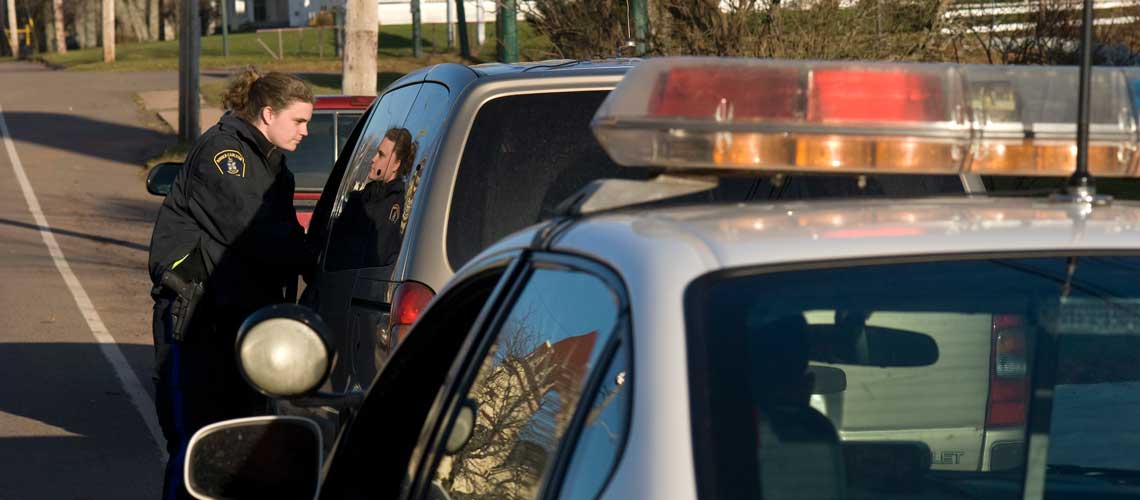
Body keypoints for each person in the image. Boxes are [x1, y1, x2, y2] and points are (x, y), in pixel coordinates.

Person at [147, 67, 315, 500]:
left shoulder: (275, 168)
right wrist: (318, 260)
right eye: (298, 121)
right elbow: (255, 231)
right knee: (195, 448)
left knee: (240, 446)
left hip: (241, 325)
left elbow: (285, 238)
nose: (306, 131)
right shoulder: (225, 155)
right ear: (267, 113)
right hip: (197, 323)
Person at [338, 127, 416, 268]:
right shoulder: (361, 198)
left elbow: (377, 256)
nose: (373, 159)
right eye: (376, 153)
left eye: (381, 155)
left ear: (396, 165)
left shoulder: (397, 204)